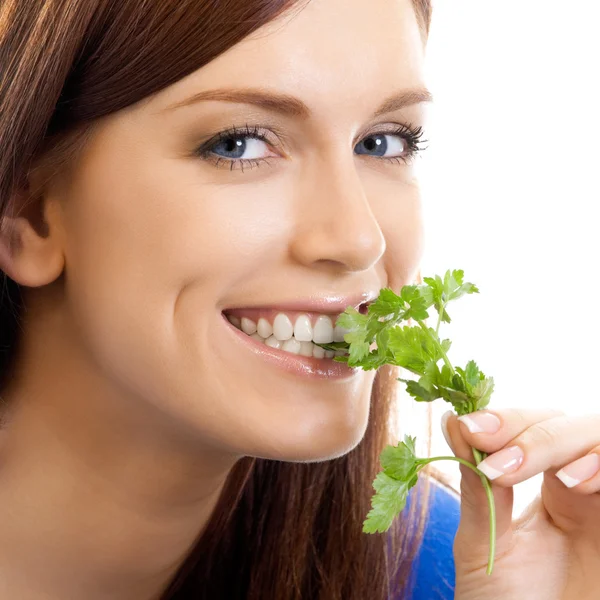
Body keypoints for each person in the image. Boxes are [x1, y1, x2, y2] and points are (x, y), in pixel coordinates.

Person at [0, 1, 599, 599]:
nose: (359, 238)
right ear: (24, 214)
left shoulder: (460, 570)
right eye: (238, 144)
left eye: (382, 142)